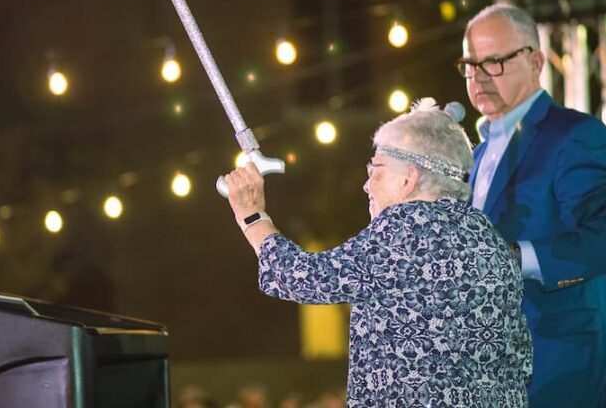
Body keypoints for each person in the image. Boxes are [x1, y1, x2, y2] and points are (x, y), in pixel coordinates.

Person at [224, 99, 531, 407]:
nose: (366, 185)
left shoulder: (406, 227)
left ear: (409, 178)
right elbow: (521, 357)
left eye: (377, 170)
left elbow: (299, 277)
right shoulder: (488, 237)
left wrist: (252, 215)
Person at [457, 2, 606, 407]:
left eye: (495, 61)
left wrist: (518, 257)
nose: (479, 76)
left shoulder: (575, 135)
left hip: (558, 377)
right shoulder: (472, 158)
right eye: (470, 64)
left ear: (536, 60)